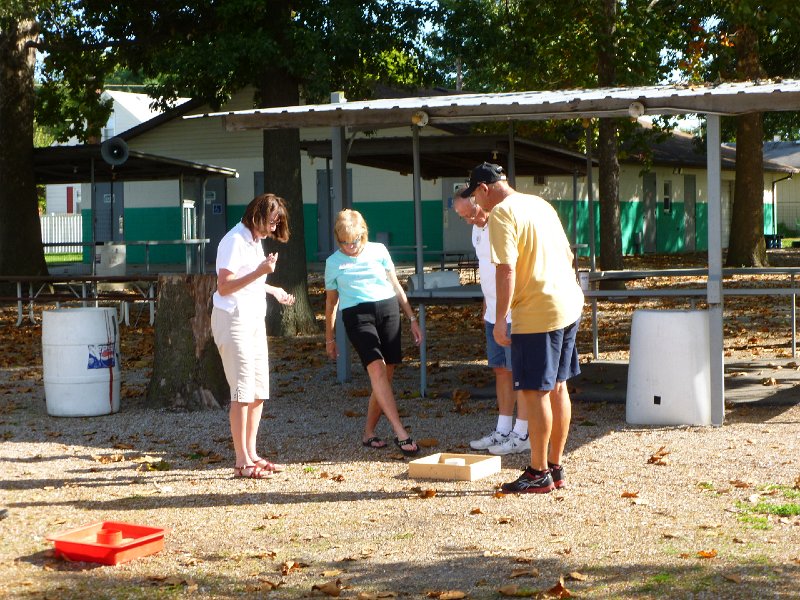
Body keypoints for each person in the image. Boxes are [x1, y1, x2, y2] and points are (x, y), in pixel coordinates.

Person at [459, 162, 584, 494]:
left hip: (537, 312)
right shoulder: (540, 203)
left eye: (476, 196)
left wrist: (500, 319)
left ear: (485, 189)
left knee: (534, 391)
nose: (476, 205)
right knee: (558, 386)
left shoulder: (501, 214)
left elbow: (506, 270)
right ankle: (555, 466)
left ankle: (538, 471)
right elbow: (569, 255)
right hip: (568, 303)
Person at [211, 193, 296, 479]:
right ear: (257, 214)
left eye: (277, 223)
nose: (274, 228)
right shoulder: (234, 240)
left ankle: (252, 453)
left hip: (254, 319)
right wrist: (261, 271)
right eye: (272, 221)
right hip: (233, 319)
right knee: (243, 392)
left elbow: (253, 281)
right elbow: (224, 286)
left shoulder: (255, 242)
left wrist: (274, 290)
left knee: (258, 391)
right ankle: (241, 462)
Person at [324, 209, 422, 456]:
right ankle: (401, 432)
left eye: (354, 241)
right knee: (376, 369)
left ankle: (369, 433)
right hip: (356, 315)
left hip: (388, 309)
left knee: (385, 377)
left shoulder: (379, 250)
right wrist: (329, 338)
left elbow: (396, 286)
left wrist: (412, 318)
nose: (350, 247)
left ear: (363, 234)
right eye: (344, 242)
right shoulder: (333, 262)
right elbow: (330, 303)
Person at [452, 190, 529, 455]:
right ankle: (504, 428)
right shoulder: (477, 230)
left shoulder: (502, 224)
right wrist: (488, 305)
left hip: (511, 313)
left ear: (481, 202)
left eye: (470, 214)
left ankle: (523, 432)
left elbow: (509, 270)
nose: (468, 220)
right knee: (501, 370)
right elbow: (487, 269)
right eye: (462, 216)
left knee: (520, 373)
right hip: (492, 311)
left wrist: (503, 312)